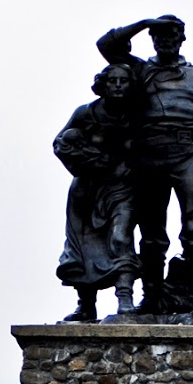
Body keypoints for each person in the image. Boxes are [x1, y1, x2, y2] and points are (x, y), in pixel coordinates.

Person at [96, 16, 193, 312]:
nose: (165, 40)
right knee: (151, 232)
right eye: (158, 36)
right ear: (153, 40)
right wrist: (144, 22)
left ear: (182, 39)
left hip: (189, 153)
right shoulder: (141, 70)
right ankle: (152, 293)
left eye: (171, 35)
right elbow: (107, 45)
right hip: (150, 154)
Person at [52, 63, 139, 321]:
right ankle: (86, 304)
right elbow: (59, 143)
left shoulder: (137, 115)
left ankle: (126, 299)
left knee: (121, 238)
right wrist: (86, 161)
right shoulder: (85, 113)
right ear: (103, 84)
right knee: (81, 246)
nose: (118, 85)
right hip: (86, 190)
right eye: (113, 80)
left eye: (124, 80)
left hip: (121, 188)